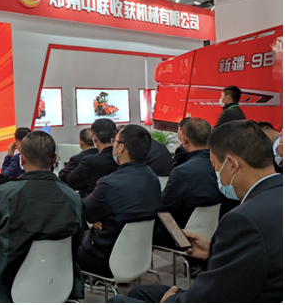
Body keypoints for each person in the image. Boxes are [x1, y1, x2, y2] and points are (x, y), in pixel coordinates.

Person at [109, 120, 283, 303]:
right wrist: (212, 252)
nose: (216, 174)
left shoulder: (243, 220)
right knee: (141, 293)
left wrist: (169, 301)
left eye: (215, 167)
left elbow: (213, 297)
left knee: (118, 301)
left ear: (232, 165)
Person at [0, 131, 85, 303]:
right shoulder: (73, 198)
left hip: (3, 290)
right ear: (54, 159)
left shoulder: (2, 195)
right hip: (58, 287)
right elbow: (77, 244)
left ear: (22, 159)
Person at [77, 124, 162, 278]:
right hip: (140, 256)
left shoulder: (109, 184)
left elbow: (83, 211)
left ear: (121, 148)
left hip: (103, 258)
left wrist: (94, 218)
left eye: (115, 142)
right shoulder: (153, 178)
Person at [153, 118, 223, 275]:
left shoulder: (183, 171)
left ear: (183, 139)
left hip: (182, 235)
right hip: (215, 230)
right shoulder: (222, 165)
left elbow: (165, 208)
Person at [65, 119, 119, 199]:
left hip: (93, 203)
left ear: (95, 138)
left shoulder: (90, 161)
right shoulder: (122, 158)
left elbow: (70, 182)